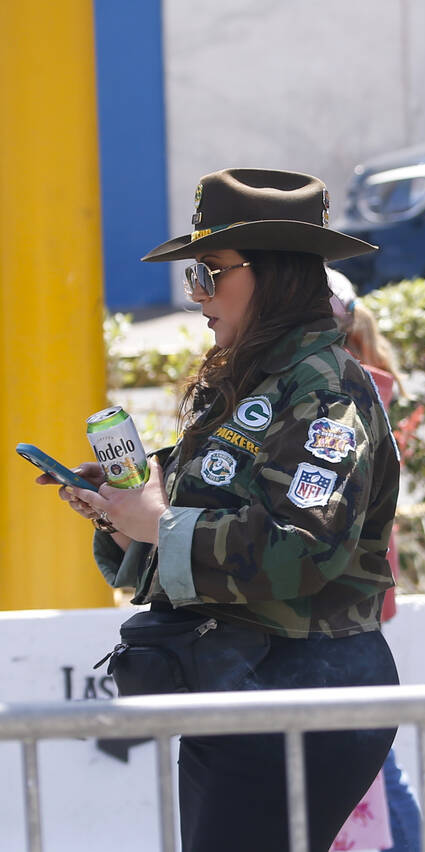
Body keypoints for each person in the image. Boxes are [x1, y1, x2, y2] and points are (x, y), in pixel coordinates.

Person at [45, 168, 402, 852]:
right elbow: (190, 515)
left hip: (302, 690)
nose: (196, 295)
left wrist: (157, 523)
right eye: (194, 277)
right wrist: (122, 506)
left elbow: (302, 551)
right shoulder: (247, 382)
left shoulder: (325, 392)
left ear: (274, 275)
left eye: (210, 273)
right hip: (242, 682)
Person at [327, 270, 424, 852]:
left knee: (375, 769)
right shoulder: (371, 390)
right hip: (364, 604)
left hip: (345, 610)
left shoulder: (349, 396)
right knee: (375, 765)